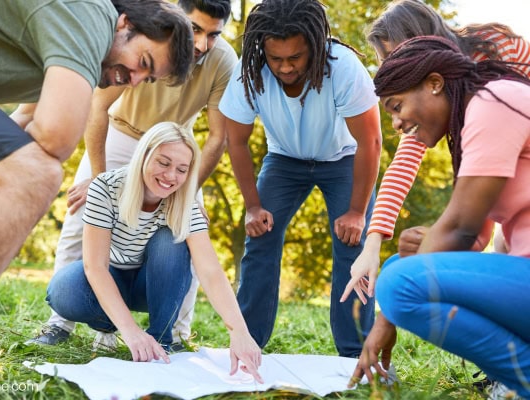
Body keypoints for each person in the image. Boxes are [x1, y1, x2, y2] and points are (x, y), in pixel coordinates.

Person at [0, 0, 194, 397]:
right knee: (35, 174)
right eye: (142, 60)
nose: (134, 79)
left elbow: (22, 120)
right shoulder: (87, 16)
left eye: (147, 77)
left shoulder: (67, 47)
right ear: (125, 22)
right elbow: (54, 134)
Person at [26, 0, 238, 349]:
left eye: (213, 34)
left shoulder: (223, 61)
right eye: (196, 30)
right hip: (121, 135)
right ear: (178, 15)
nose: (201, 44)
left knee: (187, 233)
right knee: (79, 221)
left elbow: (218, 137)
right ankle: (59, 324)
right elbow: (99, 105)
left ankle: (176, 334)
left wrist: (187, 193)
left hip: (172, 148)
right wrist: (98, 176)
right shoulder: (149, 38)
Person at [349, 35, 530, 399]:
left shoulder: (494, 101)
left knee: (398, 282)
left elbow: (461, 229)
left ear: (434, 83)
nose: (397, 124)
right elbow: (475, 232)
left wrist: (385, 320)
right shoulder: (473, 118)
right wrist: (428, 242)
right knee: (402, 265)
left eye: (397, 106)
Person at [219, 0, 382, 358]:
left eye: (295, 57)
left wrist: (356, 211)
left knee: (352, 248)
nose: (285, 67)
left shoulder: (342, 68)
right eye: (276, 59)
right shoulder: (250, 71)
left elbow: (370, 142)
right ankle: (247, 344)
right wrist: (252, 207)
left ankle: (355, 354)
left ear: (314, 44)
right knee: (259, 238)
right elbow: (238, 142)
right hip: (284, 160)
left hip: (344, 159)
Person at [340, 0, 530, 304]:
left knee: (505, 243)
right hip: (496, 181)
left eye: (393, 55)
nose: (391, 67)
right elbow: (402, 166)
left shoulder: (497, 51)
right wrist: (372, 244)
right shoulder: (427, 104)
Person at [46, 122, 263, 383]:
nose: (171, 176)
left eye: (182, 170)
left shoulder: (186, 205)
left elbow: (210, 271)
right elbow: (95, 267)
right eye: (163, 163)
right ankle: (108, 327)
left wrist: (238, 331)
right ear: (144, 155)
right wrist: (130, 330)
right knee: (63, 291)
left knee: (171, 238)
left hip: (151, 287)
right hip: (110, 276)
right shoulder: (106, 187)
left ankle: (162, 339)